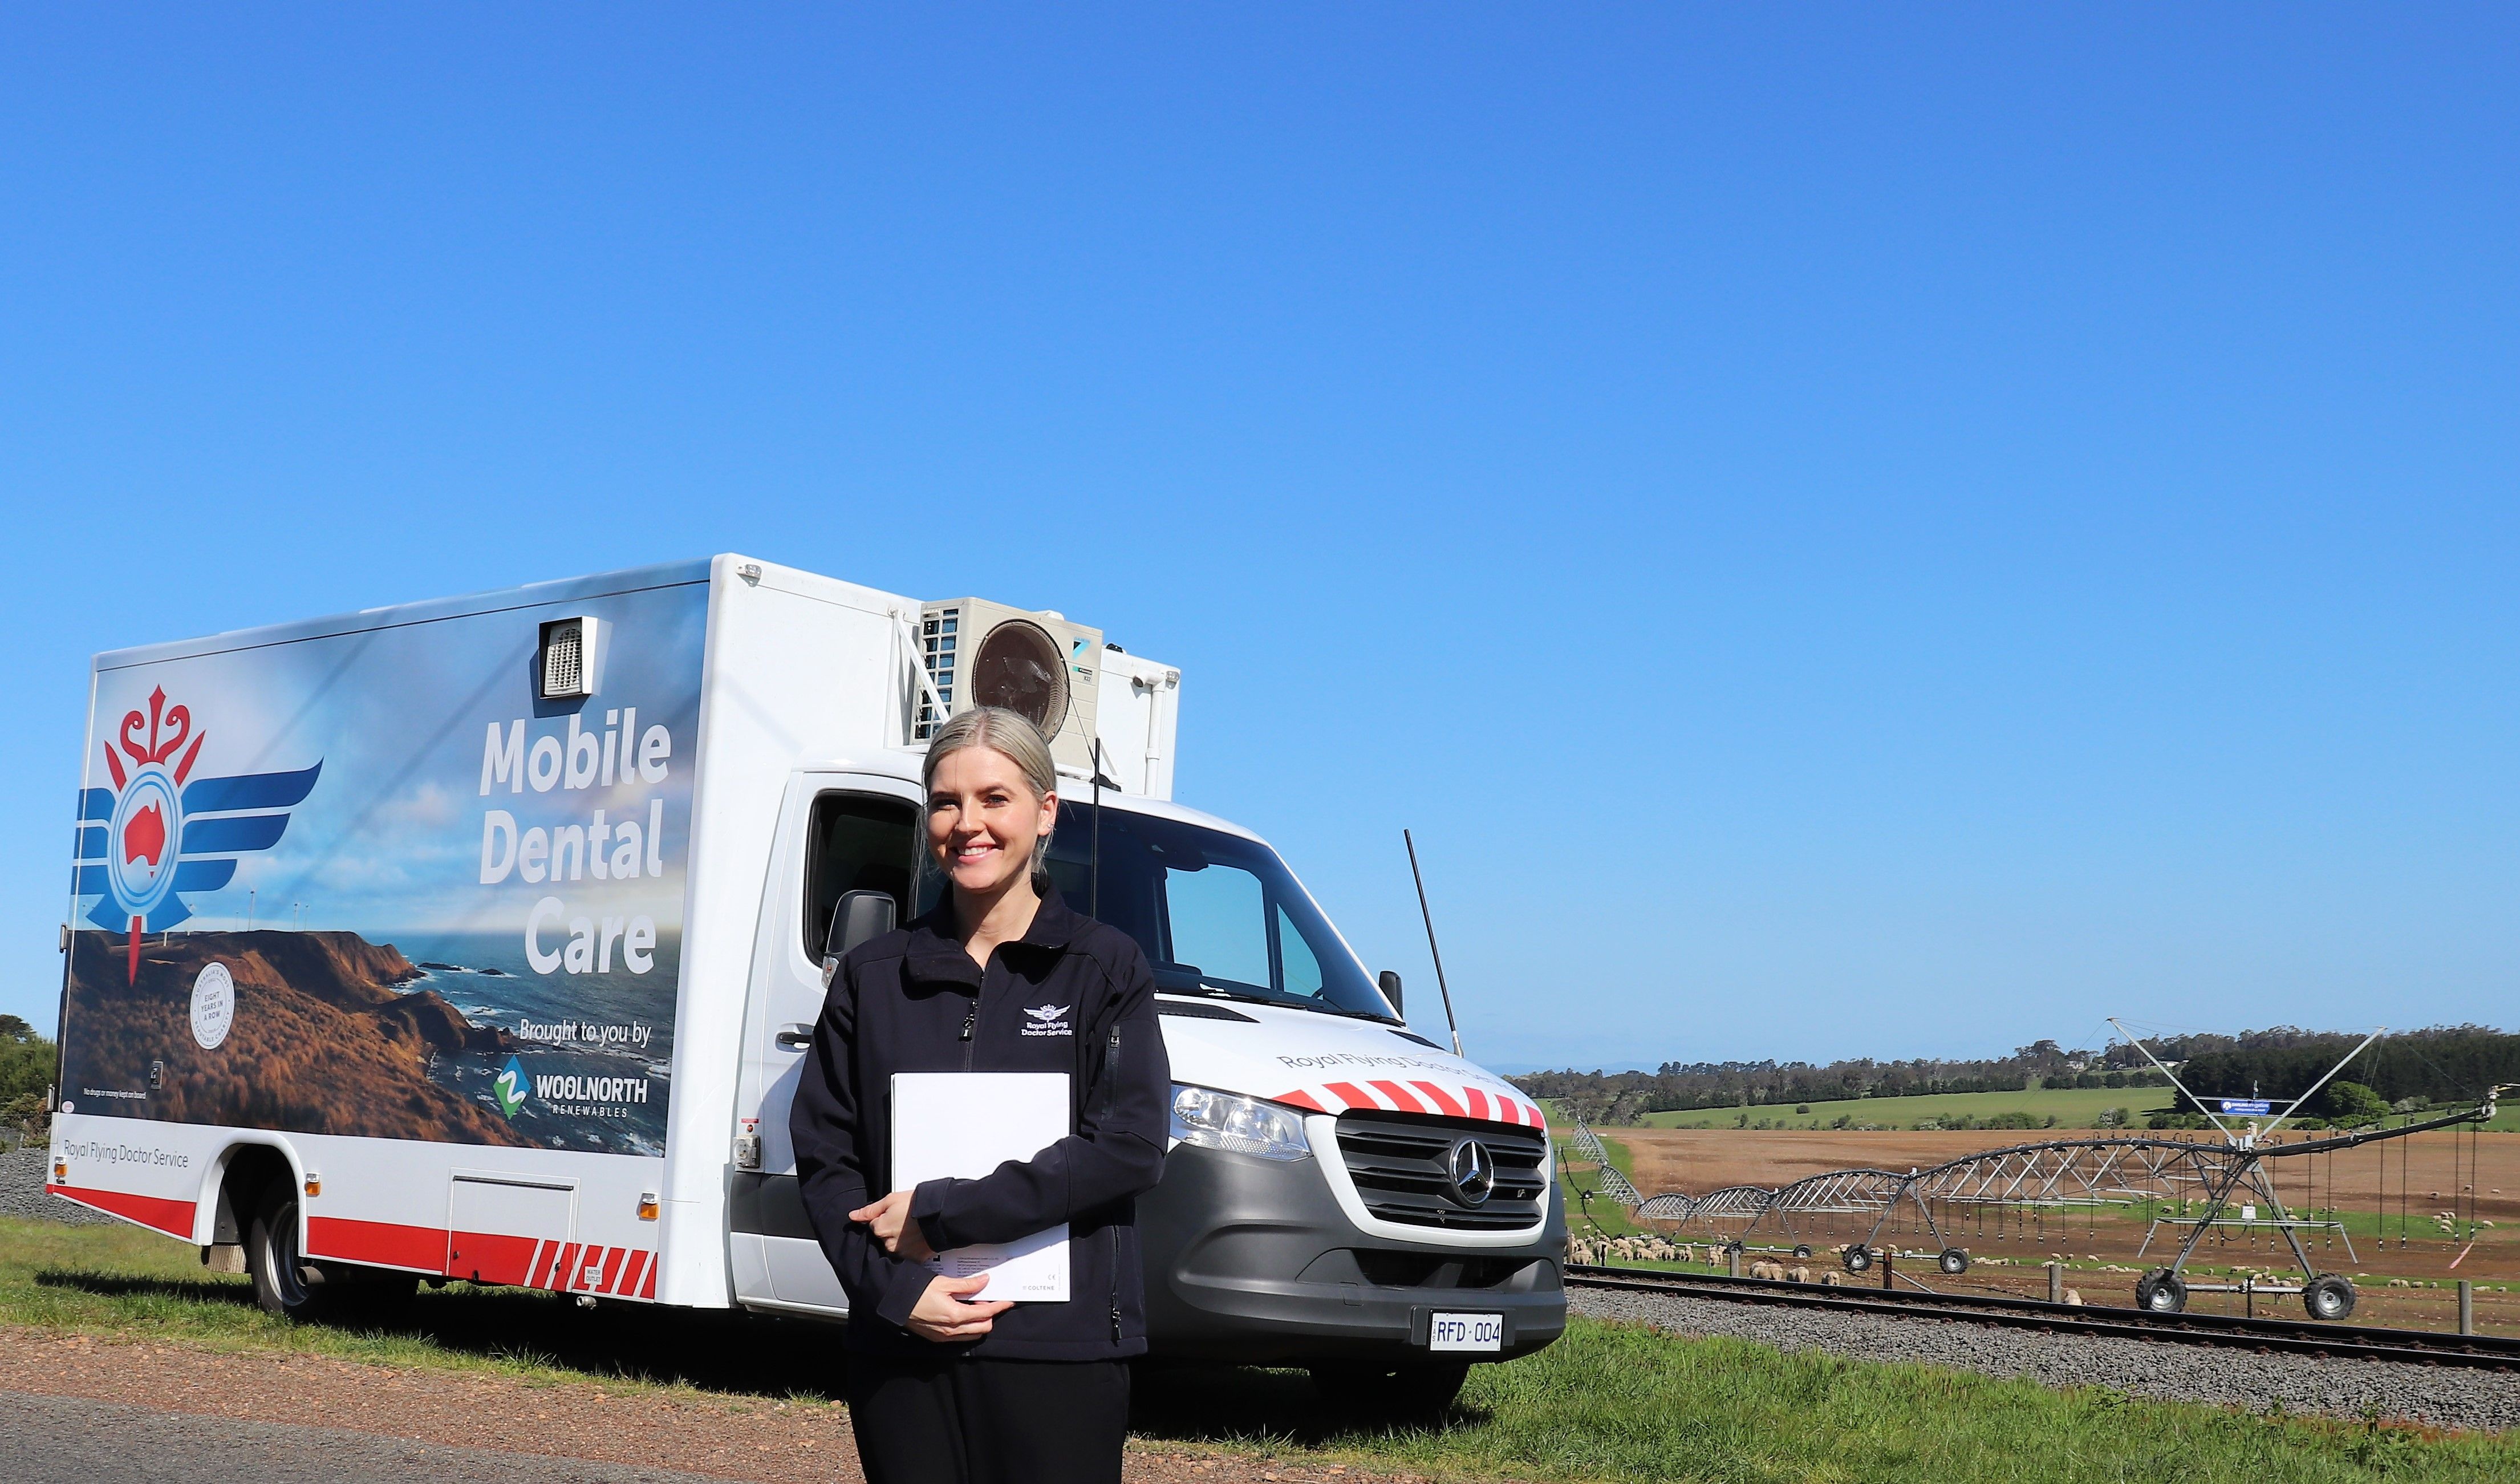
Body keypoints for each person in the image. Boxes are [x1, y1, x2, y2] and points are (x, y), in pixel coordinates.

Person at [792, 706, 1169, 1484]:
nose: (969, 823)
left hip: (1058, 1350)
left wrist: (941, 1212)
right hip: (902, 1351)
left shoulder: (1106, 968)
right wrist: (897, 1293)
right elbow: (828, 1159)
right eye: (947, 800)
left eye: (995, 798)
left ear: (1045, 811)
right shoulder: (873, 975)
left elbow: (1129, 1145)